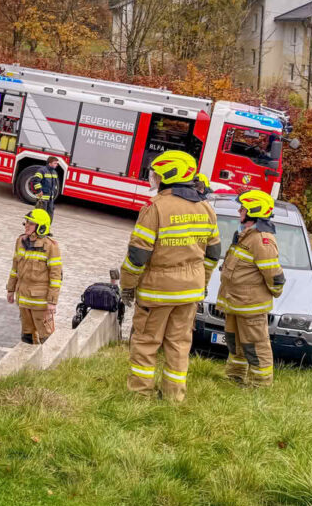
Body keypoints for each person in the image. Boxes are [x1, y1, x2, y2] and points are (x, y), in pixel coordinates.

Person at [120, 149, 222, 401]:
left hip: (157, 292)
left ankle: (139, 395)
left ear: (168, 175)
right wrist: (202, 283)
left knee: (146, 342)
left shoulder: (155, 208)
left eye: (156, 174)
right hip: (190, 293)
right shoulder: (206, 209)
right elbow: (213, 254)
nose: (153, 178)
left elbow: (137, 256)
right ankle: (174, 397)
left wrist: (128, 286)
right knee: (179, 344)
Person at [217, 190, 285, 386]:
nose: (239, 211)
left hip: (250, 306)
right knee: (235, 344)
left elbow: (274, 275)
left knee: (256, 347)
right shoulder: (246, 235)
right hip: (235, 303)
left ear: (255, 211)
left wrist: (275, 291)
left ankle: (260, 385)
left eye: (243, 208)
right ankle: (235, 378)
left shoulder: (262, 240)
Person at [6, 208, 62, 344]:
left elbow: (56, 276)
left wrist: (52, 302)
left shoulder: (51, 246)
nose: (26, 225)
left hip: (40, 303)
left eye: (30, 223)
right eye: (26, 222)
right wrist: (10, 289)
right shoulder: (20, 241)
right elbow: (15, 268)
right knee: (27, 337)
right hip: (23, 300)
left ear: (41, 227)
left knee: (46, 339)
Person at [30, 155, 63, 220]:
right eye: (55, 163)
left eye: (57, 163)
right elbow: (35, 181)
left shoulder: (54, 172)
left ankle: (46, 226)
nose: (57, 165)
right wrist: (39, 191)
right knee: (40, 216)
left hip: (50, 199)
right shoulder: (42, 171)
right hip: (42, 199)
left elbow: (55, 185)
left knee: (49, 217)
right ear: (50, 163)